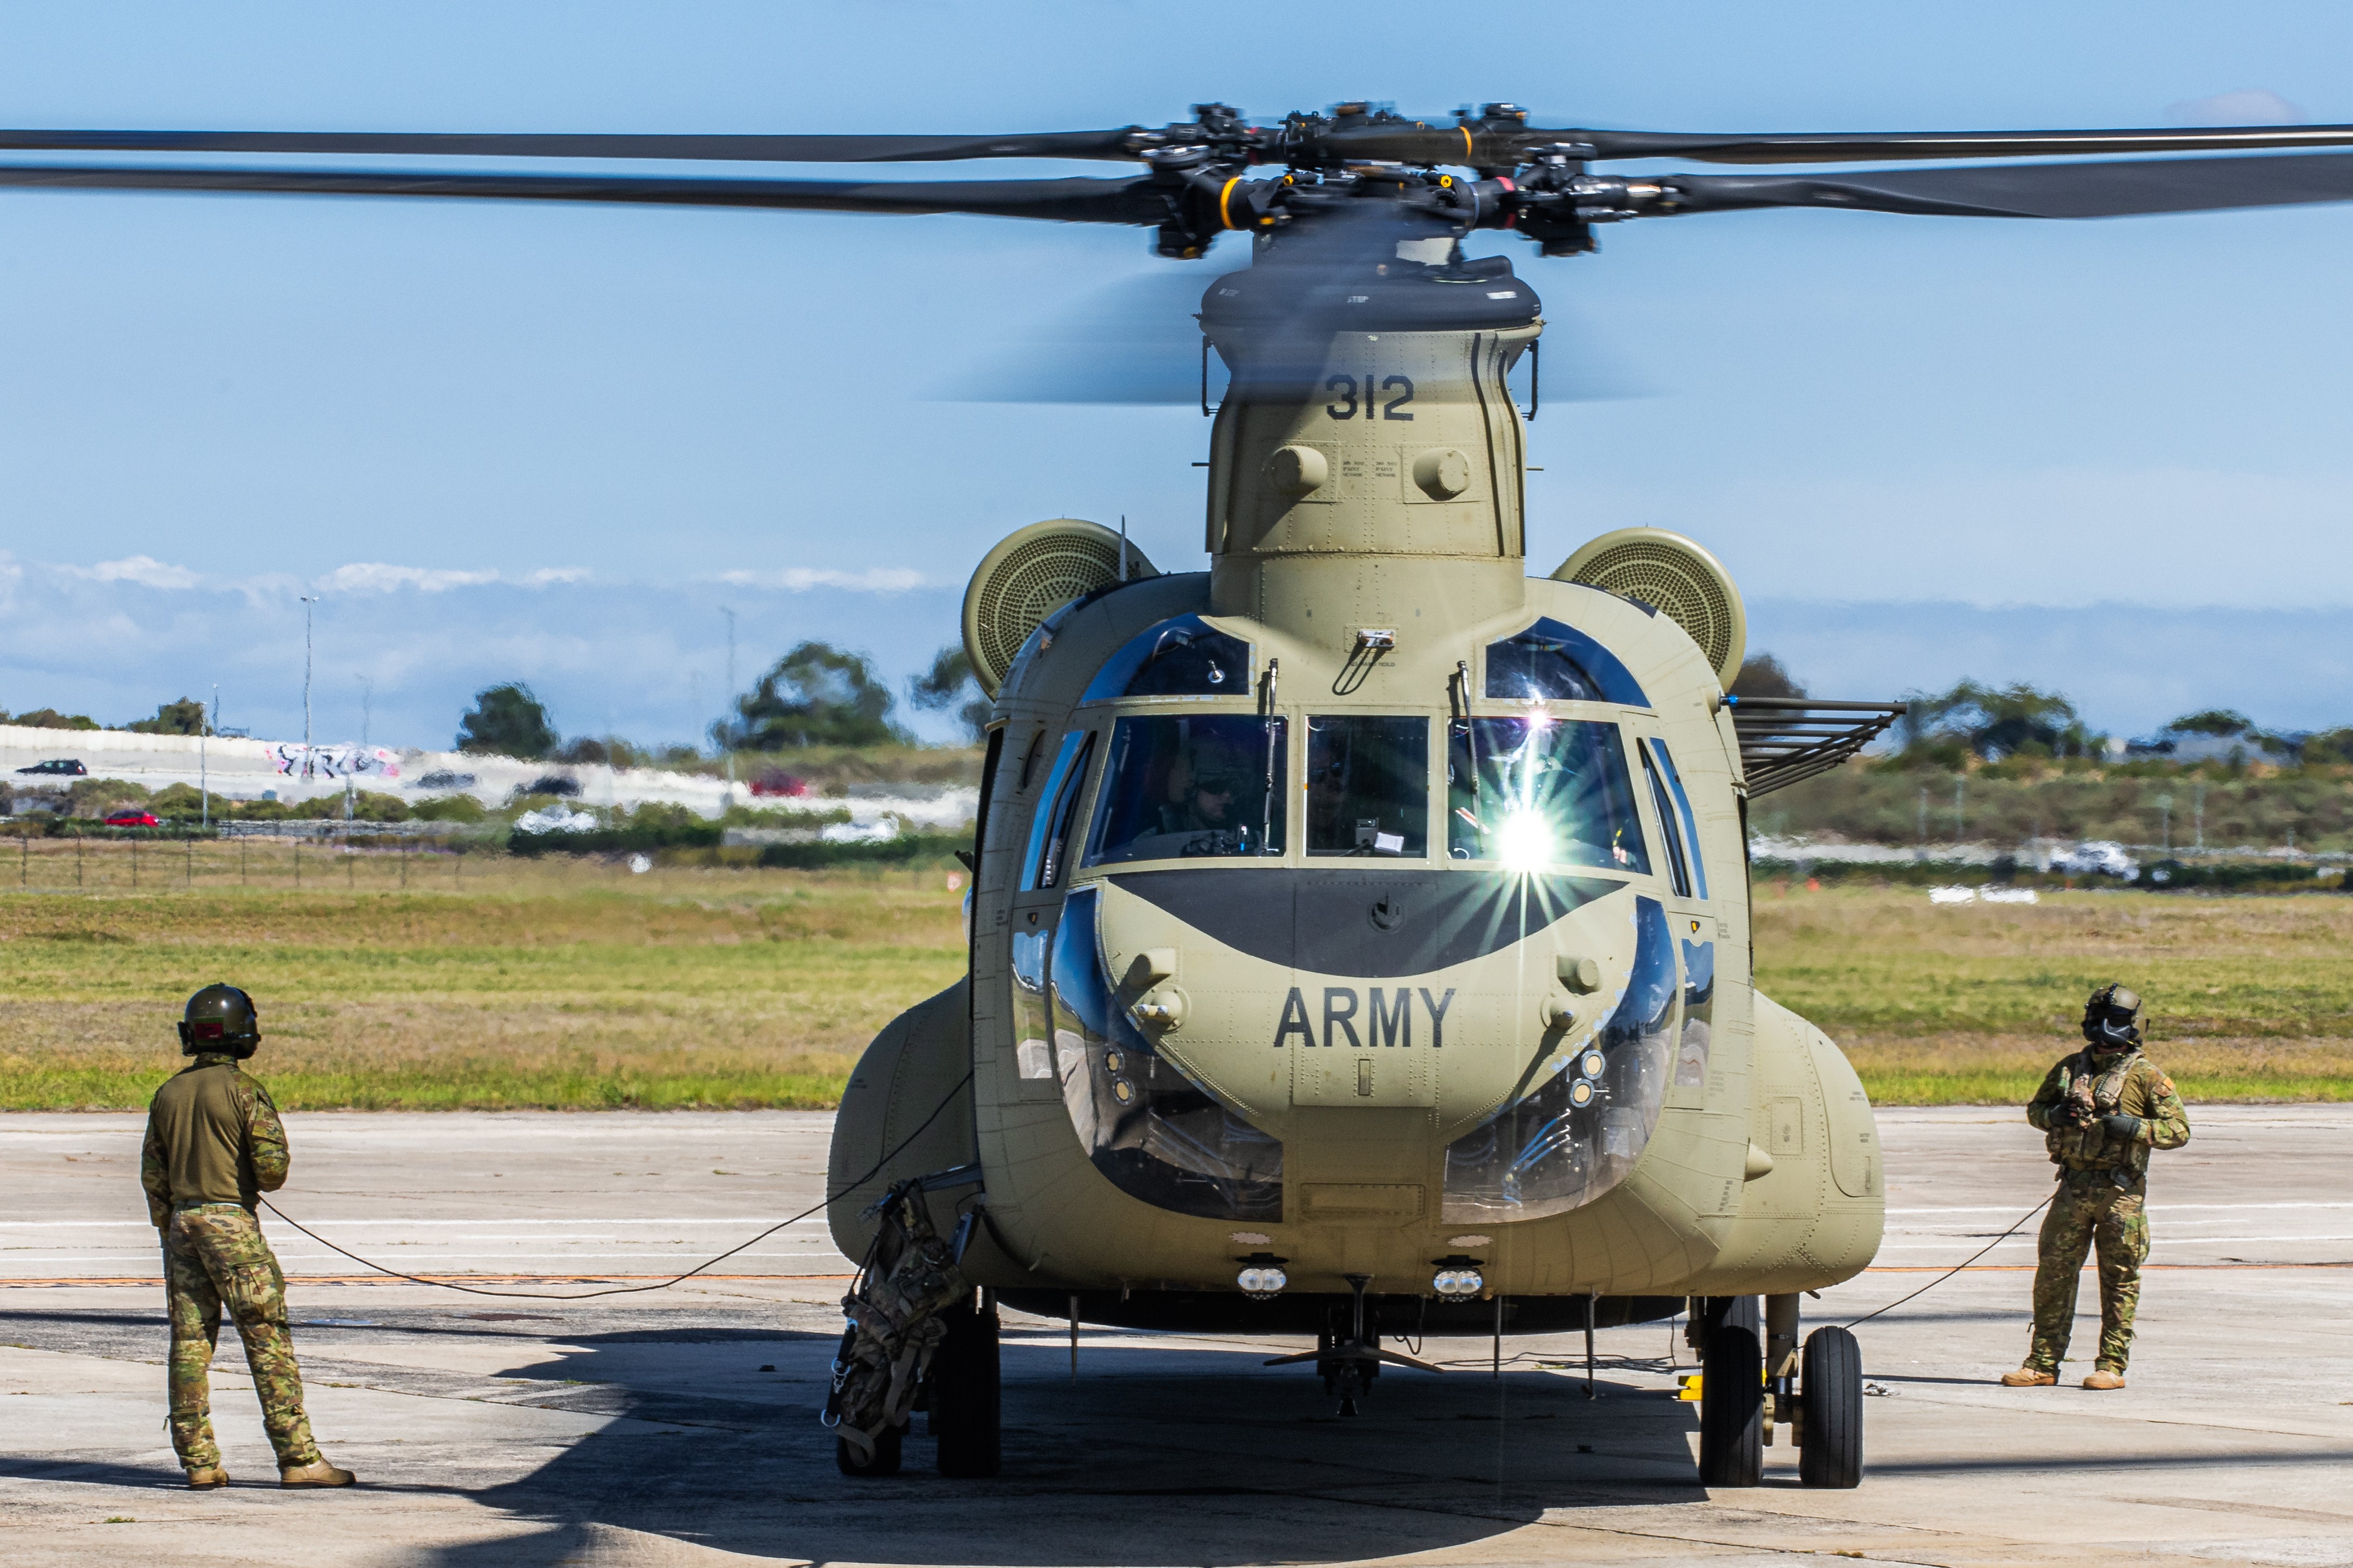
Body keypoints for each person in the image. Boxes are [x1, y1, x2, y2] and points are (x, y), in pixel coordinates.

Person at [141, 985, 355, 1489]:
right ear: (243, 1032)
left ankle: (198, 1460)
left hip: (182, 1225)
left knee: (190, 1342)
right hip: (231, 1225)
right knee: (266, 1337)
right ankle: (298, 1458)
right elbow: (273, 1168)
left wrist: (173, 1226)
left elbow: (154, 1175)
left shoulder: (168, 1093)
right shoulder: (243, 1089)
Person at [2002, 983, 2190, 1391]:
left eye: (2115, 1020)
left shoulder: (2146, 1076)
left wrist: (2135, 1127)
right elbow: (2036, 1111)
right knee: (2054, 1273)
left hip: (2120, 1193)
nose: (2104, 1029)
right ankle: (2043, 1362)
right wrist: (2058, 1114)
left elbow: (2178, 1130)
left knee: (2119, 1277)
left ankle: (2111, 1364)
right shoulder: (2071, 1068)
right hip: (2073, 1186)